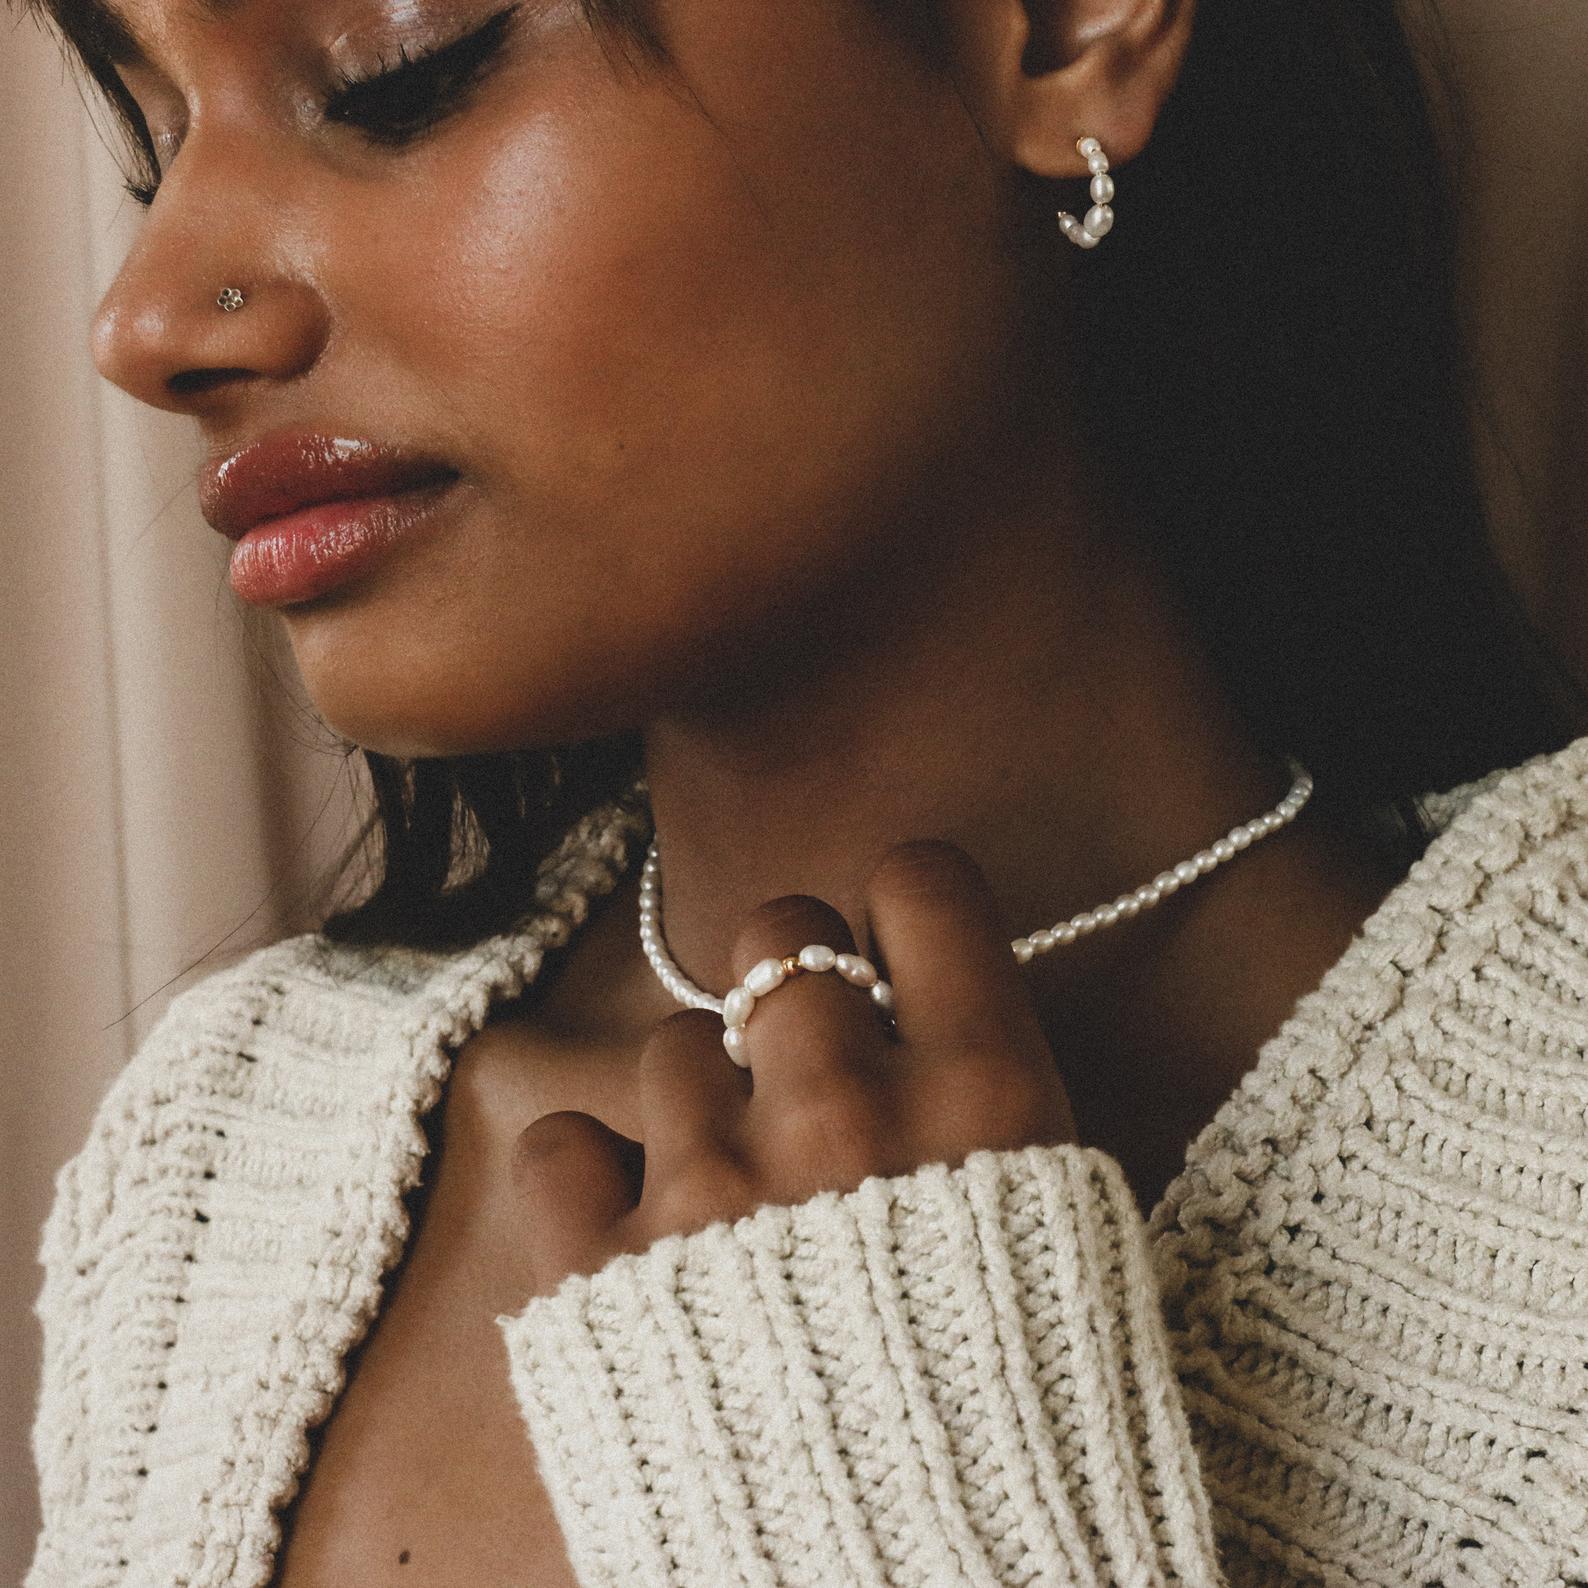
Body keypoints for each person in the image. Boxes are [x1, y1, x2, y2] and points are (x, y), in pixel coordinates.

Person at [21, 0, 1588, 1583]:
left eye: (399, 73)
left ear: (1058, 35)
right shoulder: (211, 1177)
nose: (147, 322)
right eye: (159, 144)